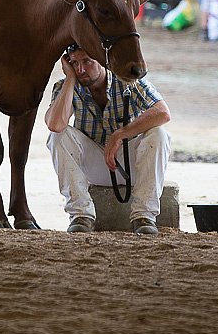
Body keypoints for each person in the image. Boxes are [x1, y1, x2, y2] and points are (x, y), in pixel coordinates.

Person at [45, 44, 171, 235]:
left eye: (87, 61)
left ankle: (144, 216)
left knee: (159, 134)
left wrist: (120, 134)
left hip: (131, 163)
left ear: (101, 59)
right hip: (93, 166)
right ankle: (81, 215)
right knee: (58, 136)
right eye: (75, 63)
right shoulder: (67, 86)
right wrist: (70, 79)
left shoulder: (127, 80)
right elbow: (54, 124)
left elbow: (162, 112)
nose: (81, 70)